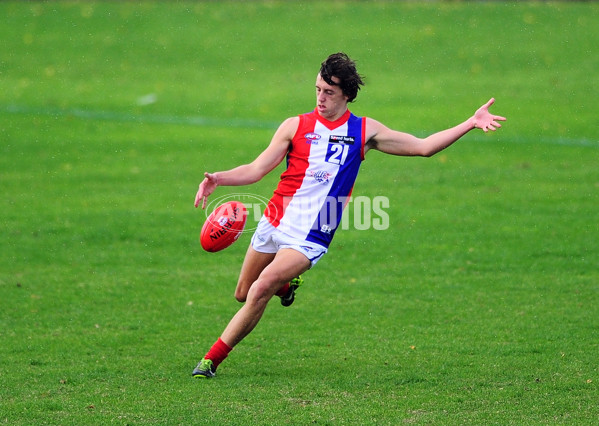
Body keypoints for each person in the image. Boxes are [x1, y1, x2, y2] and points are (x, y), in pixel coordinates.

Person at [192, 52, 506, 378]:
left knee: (260, 290)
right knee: (243, 292)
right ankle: (287, 287)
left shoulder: (364, 131)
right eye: (317, 89)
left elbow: (423, 146)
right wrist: (219, 178)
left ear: (346, 94)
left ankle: (210, 362)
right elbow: (257, 169)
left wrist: (470, 123)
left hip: (312, 234)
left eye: (329, 92)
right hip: (274, 219)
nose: (320, 98)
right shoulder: (295, 125)